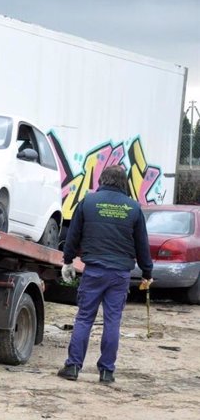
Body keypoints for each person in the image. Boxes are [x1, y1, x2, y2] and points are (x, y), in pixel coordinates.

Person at [58, 165, 153, 384]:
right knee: (112, 321)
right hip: (120, 275)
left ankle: (73, 367)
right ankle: (106, 372)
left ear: (102, 180)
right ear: (124, 183)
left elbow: (73, 234)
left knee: (84, 318)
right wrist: (147, 272)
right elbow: (142, 244)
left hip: (93, 271)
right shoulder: (133, 208)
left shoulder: (88, 202)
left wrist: (68, 260)